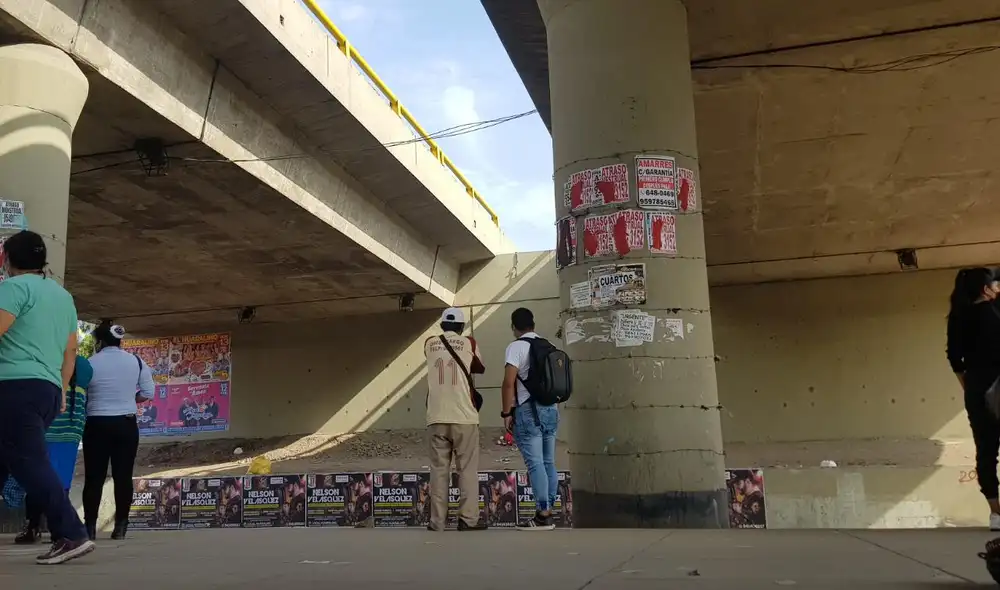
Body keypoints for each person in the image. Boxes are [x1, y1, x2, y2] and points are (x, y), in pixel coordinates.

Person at [0, 230, 95, 564]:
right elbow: (70, 352)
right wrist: (62, 390)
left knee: (29, 463)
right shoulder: (61, 296)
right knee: (11, 459)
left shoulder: (13, 289)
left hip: (14, 388)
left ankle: (71, 532)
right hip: (47, 390)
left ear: (5, 259)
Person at [82, 321, 155, 540]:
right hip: (126, 423)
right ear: (119, 340)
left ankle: (90, 529)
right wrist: (129, 400)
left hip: (96, 423)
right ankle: (121, 527)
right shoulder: (137, 361)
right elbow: (148, 392)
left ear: (100, 341)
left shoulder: (90, 362)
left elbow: (81, 392)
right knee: (123, 476)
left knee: (94, 478)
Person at [14, 353, 93, 544]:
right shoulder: (84, 366)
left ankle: (33, 526)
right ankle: (58, 528)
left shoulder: (44, 359)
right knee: (61, 480)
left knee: (36, 476)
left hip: (45, 428)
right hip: (70, 432)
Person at [422, 307, 487, 531]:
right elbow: (479, 367)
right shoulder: (469, 343)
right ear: (461, 327)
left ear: (442, 326)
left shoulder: (429, 343)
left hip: (436, 417)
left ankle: (437, 522)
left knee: (439, 470)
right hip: (464, 417)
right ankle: (468, 520)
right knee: (467, 469)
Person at [946, 267, 1000, 530]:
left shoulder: (957, 317)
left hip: (977, 392)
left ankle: (996, 514)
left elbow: (955, 360)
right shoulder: (994, 313)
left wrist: (971, 387)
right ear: (985, 288)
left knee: (986, 453)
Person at [502, 307, 558, 531]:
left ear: (514, 327)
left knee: (535, 464)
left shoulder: (516, 347)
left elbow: (508, 383)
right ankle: (549, 510)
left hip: (528, 410)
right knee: (548, 462)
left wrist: (506, 413)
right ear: (533, 324)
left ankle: (542, 515)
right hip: (551, 408)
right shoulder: (548, 346)